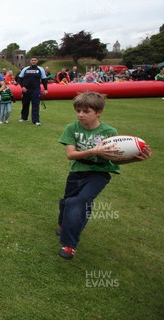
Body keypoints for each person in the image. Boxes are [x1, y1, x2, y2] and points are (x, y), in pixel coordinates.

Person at [56, 92, 151, 259]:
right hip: (77, 170)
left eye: (86, 111)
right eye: (78, 110)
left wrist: (134, 160)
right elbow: (70, 155)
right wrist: (94, 150)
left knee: (81, 201)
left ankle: (69, 245)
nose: (80, 115)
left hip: (99, 173)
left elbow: (115, 159)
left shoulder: (109, 131)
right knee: (67, 202)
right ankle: (63, 223)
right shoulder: (72, 128)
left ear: (99, 112)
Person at [17, 57, 48, 126]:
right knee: (25, 104)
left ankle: (36, 120)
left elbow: (44, 79)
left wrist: (46, 89)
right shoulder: (25, 69)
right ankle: (24, 118)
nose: (33, 61)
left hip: (36, 90)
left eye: (35, 60)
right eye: (32, 60)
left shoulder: (41, 69)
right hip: (26, 90)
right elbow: (19, 78)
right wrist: (22, 87)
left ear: (37, 61)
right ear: (30, 61)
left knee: (35, 105)